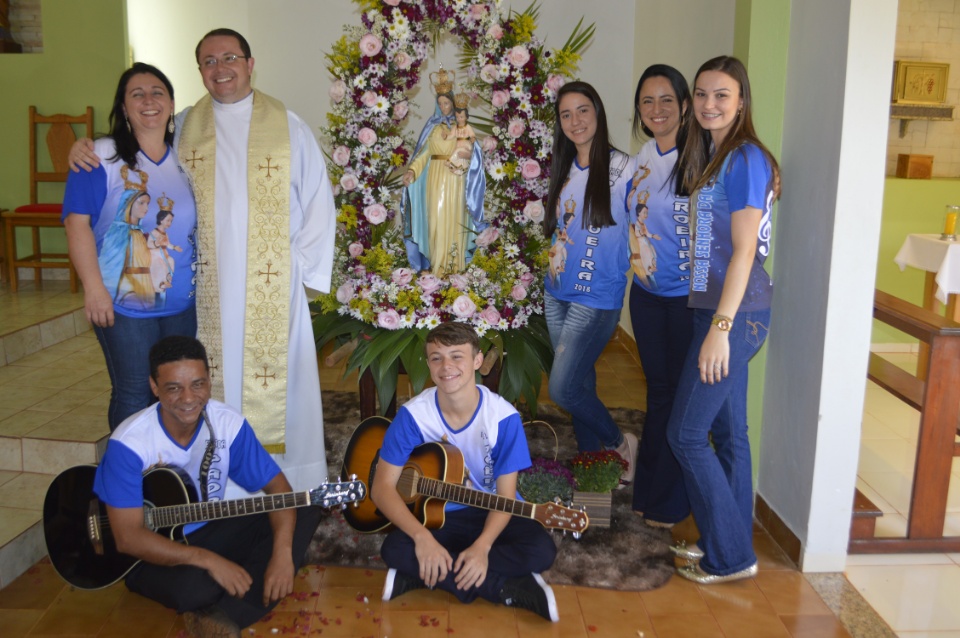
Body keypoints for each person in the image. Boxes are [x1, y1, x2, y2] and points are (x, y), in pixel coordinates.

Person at [70, 29, 337, 495]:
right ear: (200, 73)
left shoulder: (289, 125)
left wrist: (302, 272)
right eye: (209, 61)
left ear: (250, 64)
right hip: (204, 287)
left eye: (230, 57)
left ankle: (288, 479)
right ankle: (178, 483)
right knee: (153, 387)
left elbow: (318, 200)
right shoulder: (188, 124)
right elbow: (128, 149)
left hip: (268, 281)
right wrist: (82, 146)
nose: (220, 68)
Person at [92, 336, 323, 637]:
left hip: (207, 529)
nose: (189, 398)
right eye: (174, 388)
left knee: (304, 509)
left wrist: (281, 554)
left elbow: (280, 491)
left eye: (198, 384)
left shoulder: (227, 424)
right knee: (197, 587)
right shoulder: (130, 442)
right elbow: (127, 538)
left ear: (209, 382)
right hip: (147, 552)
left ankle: (222, 616)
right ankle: (229, 589)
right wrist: (208, 560)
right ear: (154, 387)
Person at [666, 56, 779, 584]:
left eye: (723, 95)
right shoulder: (714, 155)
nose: (711, 104)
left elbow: (742, 252)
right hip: (713, 309)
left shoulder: (747, 158)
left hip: (735, 316)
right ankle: (728, 541)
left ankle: (730, 556)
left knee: (686, 435)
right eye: (703, 95)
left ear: (741, 102)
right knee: (732, 434)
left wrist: (721, 329)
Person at [373, 322, 559, 622]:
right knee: (395, 548)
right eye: (436, 357)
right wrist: (422, 538)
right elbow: (382, 489)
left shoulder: (503, 417)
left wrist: (483, 548)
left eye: (457, 356)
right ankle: (504, 587)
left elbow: (506, 496)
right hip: (439, 513)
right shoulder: (412, 416)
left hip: (495, 510)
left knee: (541, 551)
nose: (446, 366)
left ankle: (425, 575)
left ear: (477, 361)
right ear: (429, 364)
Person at [63, 62, 197, 431]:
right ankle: (126, 484)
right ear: (124, 108)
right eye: (136, 94)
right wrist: (93, 291)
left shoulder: (188, 157)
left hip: (182, 306)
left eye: (158, 92)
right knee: (135, 392)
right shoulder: (100, 155)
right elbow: (76, 225)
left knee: (177, 394)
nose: (148, 100)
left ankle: (168, 478)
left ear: (171, 104)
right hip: (122, 306)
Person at [542, 81, 638, 485]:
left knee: (562, 390)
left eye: (583, 111)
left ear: (598, 113)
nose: (575, 121)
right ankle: (592, 463)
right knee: (580, 379)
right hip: (556, 293)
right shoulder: (561, 168)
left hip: (597, 297)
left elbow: (650, 217)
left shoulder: (625, 169)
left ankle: (621, 442)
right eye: (566, 114)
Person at [625, 64, 695, 528]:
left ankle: (669, 501)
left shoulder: (702, 157)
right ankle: (648, 493)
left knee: (677, 398)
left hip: (688, 299)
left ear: (685, 106)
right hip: (646, 295)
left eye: (666, 100)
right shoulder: (641, 159)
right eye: (648, 102)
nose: (657, 110)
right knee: (659, 393)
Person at [402, 66, 486, 275]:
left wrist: (468, 155)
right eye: (440, 103)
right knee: (436, 221)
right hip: (435, 178)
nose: (443, 106)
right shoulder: (432, 127)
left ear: (452, 102)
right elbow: (423, 154)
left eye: (446, 102)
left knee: (456, 220)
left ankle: (456, 269)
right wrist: (412, 171)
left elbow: (473, 151)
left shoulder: (463, 127)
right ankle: (437, 266)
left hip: (456, 178)